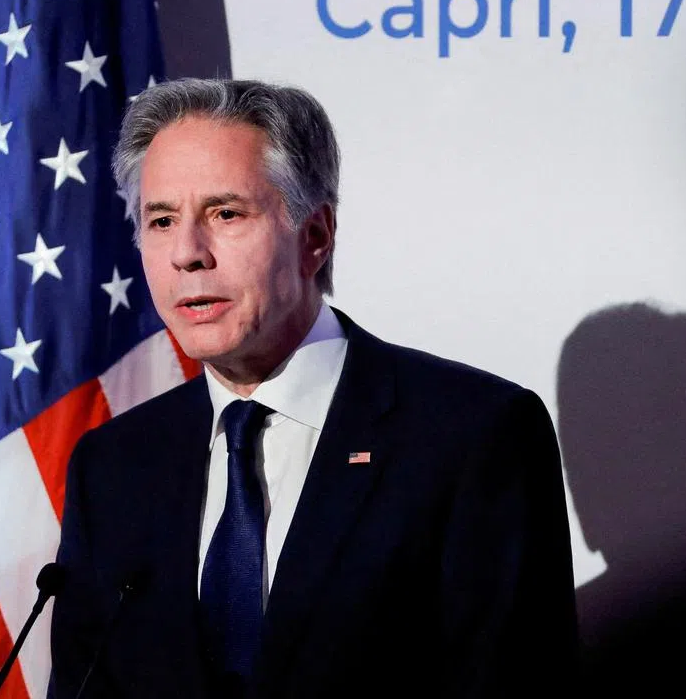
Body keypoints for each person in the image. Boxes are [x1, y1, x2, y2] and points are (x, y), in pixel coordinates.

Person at [47, 78, 578, 698]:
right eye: (160, 219)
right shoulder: (113, 466)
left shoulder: (471, 435)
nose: (187, 253)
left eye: (225, 213)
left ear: (316, 235)